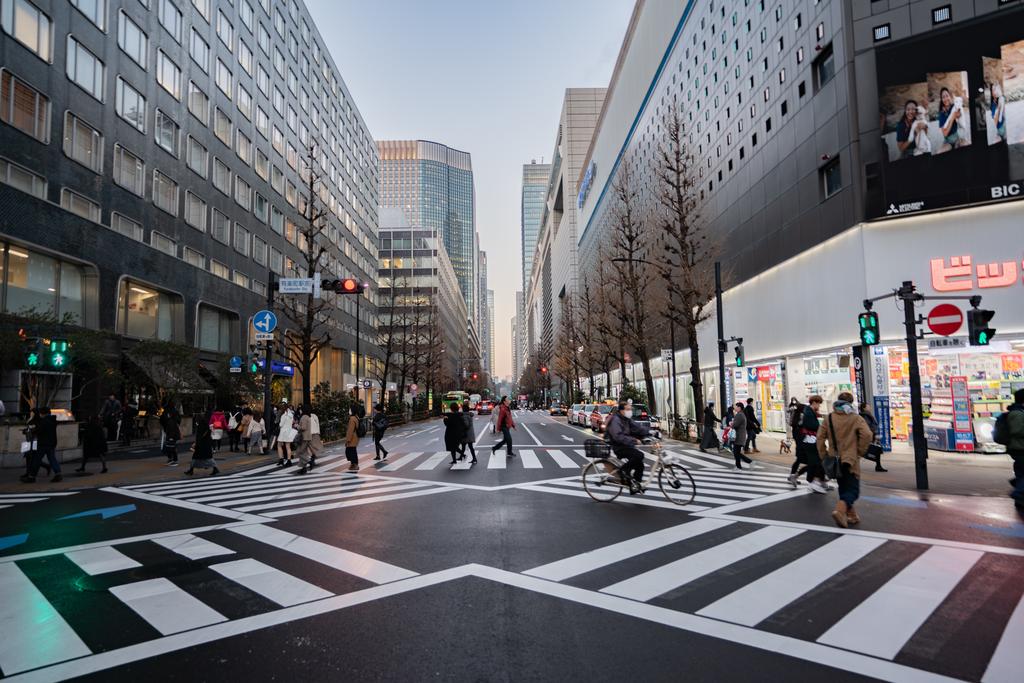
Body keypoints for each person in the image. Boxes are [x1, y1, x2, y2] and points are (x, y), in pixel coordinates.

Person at [817, 392, 873, 528]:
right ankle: (840, 511)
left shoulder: (829, 418)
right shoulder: (855, 418)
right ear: (850, 403)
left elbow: (820, 438)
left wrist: (824, 455)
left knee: (843, 487)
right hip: (850, 458)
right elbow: (867, 434)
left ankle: (851, 515)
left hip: (834, 459)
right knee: (853, 490)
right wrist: (859, 451)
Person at [606, 402, 650, 493]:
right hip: (619, 447)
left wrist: (650, 433)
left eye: (630, 409)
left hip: (626, 445)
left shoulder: (626, 419)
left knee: (640, 465)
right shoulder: (615, 420)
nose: (630, 411)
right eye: (628, 409)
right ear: (621, 410)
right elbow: (618, 436)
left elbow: (638, 428)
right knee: (639, 455)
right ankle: (623, 471)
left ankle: (635, 486)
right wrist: (634, 440)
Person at [792, 395, 826, 491]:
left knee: (814, 462)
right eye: (819, 404)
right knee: (816, 462)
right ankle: (814, 482)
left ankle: (817, 481)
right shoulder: (808, 412)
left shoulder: (810, 411)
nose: (819, 406)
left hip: (810, 440)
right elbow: (812, 425)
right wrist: (821, 427)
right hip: (810, 440)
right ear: (814, 402)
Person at [1004, 388, 1024, 508]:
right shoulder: (1017, 413)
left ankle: (1019, 497)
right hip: (1019, 448)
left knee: (1021, 472)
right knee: (1022, 472)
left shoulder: (1018, 411)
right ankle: (1018, 492)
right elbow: (1017, 430)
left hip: (1018, 448)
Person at [859, 402, 887, 472]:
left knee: (876, 449)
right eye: (868, 406)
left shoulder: (867, 415)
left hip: (872, 435)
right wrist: (874, 434)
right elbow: (868, 426)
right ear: (864, 408)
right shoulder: (865, 416)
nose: (869, 407)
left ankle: (878, 465)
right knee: (875, 449)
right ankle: (878, 466)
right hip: (871, 435)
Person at [295, 405, 323, 474]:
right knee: (304, 452)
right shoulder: (309, 416)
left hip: (304, 437)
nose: (300, 410)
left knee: (300, 451)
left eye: (301, 409)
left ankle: (309, 462)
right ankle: (303, 468)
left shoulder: (304, 417)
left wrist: (297, 426)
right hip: (308, 436)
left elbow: (303, 427)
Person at [937, 87, 963, 153]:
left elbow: (959, 114)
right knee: (939, 152)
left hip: (957, 138)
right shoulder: (941, 114)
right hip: (947, 141)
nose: (946, 99)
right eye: (943, 97)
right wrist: (952, 118)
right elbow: (945, 133)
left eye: (947, 96)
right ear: (941, 99)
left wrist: (958, 114)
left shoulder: (954, 106)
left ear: (950, 97)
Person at [729, 402, 754, 469]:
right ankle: (738, 466)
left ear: (739, 407)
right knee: (736, 452)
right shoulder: (741, 414)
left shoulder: (739, 415)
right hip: (740, 436)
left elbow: (735, 425)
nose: (735, 408)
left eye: (736, 407)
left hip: (739, 436)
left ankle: (749, 462)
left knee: (736, 452)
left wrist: (731, 424)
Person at [344, 403, 361, 471]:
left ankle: (355, 465)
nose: (349, 410)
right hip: (356, 437)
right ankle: (353, 464)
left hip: (352, 438)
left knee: (350, 451)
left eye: (350, 409)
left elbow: (350, 430)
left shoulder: (352, 418)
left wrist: (348, 440)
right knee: (352, 451)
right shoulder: (357, 417)